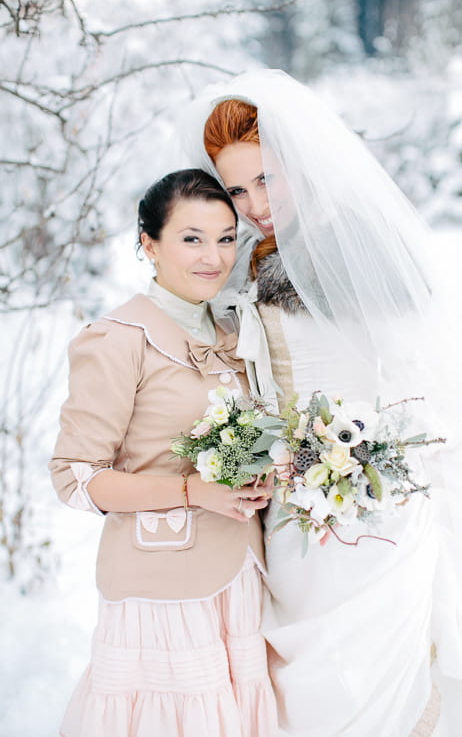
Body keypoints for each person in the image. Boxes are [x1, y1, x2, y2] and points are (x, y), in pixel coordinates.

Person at [181, 70, 462, 737]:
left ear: (301, 165)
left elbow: (416, 380)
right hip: (290, 511)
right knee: (297, 687)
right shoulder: (249, 261)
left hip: (373, 503)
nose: (254, 203)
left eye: (266, 180)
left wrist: (357, 456)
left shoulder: (360, 250)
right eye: (236, 188)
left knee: (367, 687)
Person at [49, 169, 278, 737]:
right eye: (191, 238)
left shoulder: (235, 332)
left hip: (240, 580)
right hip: (162, 594)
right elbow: (77, 477)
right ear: (148, 244)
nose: (213, 257)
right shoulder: (118, 338)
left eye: (226, 238)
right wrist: (191, 491)